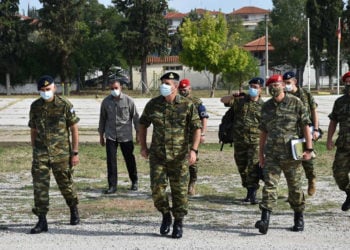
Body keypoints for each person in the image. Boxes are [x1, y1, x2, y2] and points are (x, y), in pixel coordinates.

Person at [138, 72, 202, 239]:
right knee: (157, 190)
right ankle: (166, 215)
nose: (163, 86)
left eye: (167, 83)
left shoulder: (187, 105)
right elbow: (143, 125)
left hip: (179, 157)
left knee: (179, 192)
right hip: (158, 155)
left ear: (175, 86)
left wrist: (193, 150)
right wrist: (143, 146)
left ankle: (178, 222)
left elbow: (197, 128)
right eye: (162, 83)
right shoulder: (153, 104)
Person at [255, 74, 313, 234]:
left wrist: (309, 149)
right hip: (272, 154)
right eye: (271, 86)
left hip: (292, 154)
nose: (274, 88)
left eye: (276, 85)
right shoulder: (266, 107)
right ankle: (264, 220)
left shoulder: (296, 103)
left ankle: (298, 217)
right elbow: (263, 132)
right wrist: (260, 154)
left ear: (282, 85)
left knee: (294, 187)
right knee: (269, 186)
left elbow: (306, 127)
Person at [28, 75, 80, 234]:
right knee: (40, 186)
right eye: (42, 90)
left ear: (54, 88)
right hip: (41, 152)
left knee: (65, 183)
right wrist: (34, 149)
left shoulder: (64, 105)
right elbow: (33, 130)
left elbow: (74, 129)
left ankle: (73, 209)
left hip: (61, 153)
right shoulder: (35, 106)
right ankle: (42, 220)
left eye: (48, 89)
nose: (45, 92)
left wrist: (75, 152)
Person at [220, 77, 265, 204]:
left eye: (255, 87)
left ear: (260, 90)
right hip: (239, 141)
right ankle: (248, 188)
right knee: (242, 167)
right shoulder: (240, 101)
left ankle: (252, 194)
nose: (252, 89)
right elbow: (223, 100)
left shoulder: (264, 106)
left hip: (255, 142)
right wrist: (233, 95)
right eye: (251, 87)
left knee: (253, 167)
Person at [98, 80, 139, 194]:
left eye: (116, 88)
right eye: (112, 88)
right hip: (110, 135)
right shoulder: (106, 102)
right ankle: (112, 185)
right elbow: (102, 119)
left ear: (121, 87)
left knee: (129, 159)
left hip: (125, 135)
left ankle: (134, 181)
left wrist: (138, 134)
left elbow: (136, 118)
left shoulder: (129, 101)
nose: (114, 90)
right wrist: (101, 135)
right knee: (111, 161)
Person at [283, 71, 320, 196]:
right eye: (284, 83)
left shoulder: (305, 94)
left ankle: (311, 179)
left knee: (307, 159)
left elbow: (314, 111)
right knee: (292, 162)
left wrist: (316, 129)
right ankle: (294, 192)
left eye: (288, 83)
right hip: (291, 133)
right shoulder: (284, 96)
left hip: (306, 132)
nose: (286, 85)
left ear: (295, 82)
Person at [178, 78, 209, 196]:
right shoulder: (176, 101)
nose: (182, 92)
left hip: (193, 136)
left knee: (192, 160)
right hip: (179, 136)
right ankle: (181, 184)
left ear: (190, 89)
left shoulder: (196, 102)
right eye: (181, 90)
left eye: (184, 89)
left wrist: (203, 133)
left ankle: (192, 183)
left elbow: (204, 118)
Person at [327, 71, 350, 212]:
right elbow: (333, 121)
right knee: (339, 173)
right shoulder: (339, 102)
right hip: (344, 144)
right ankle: (349, 193)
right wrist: (329, 139)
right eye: (347, 82)